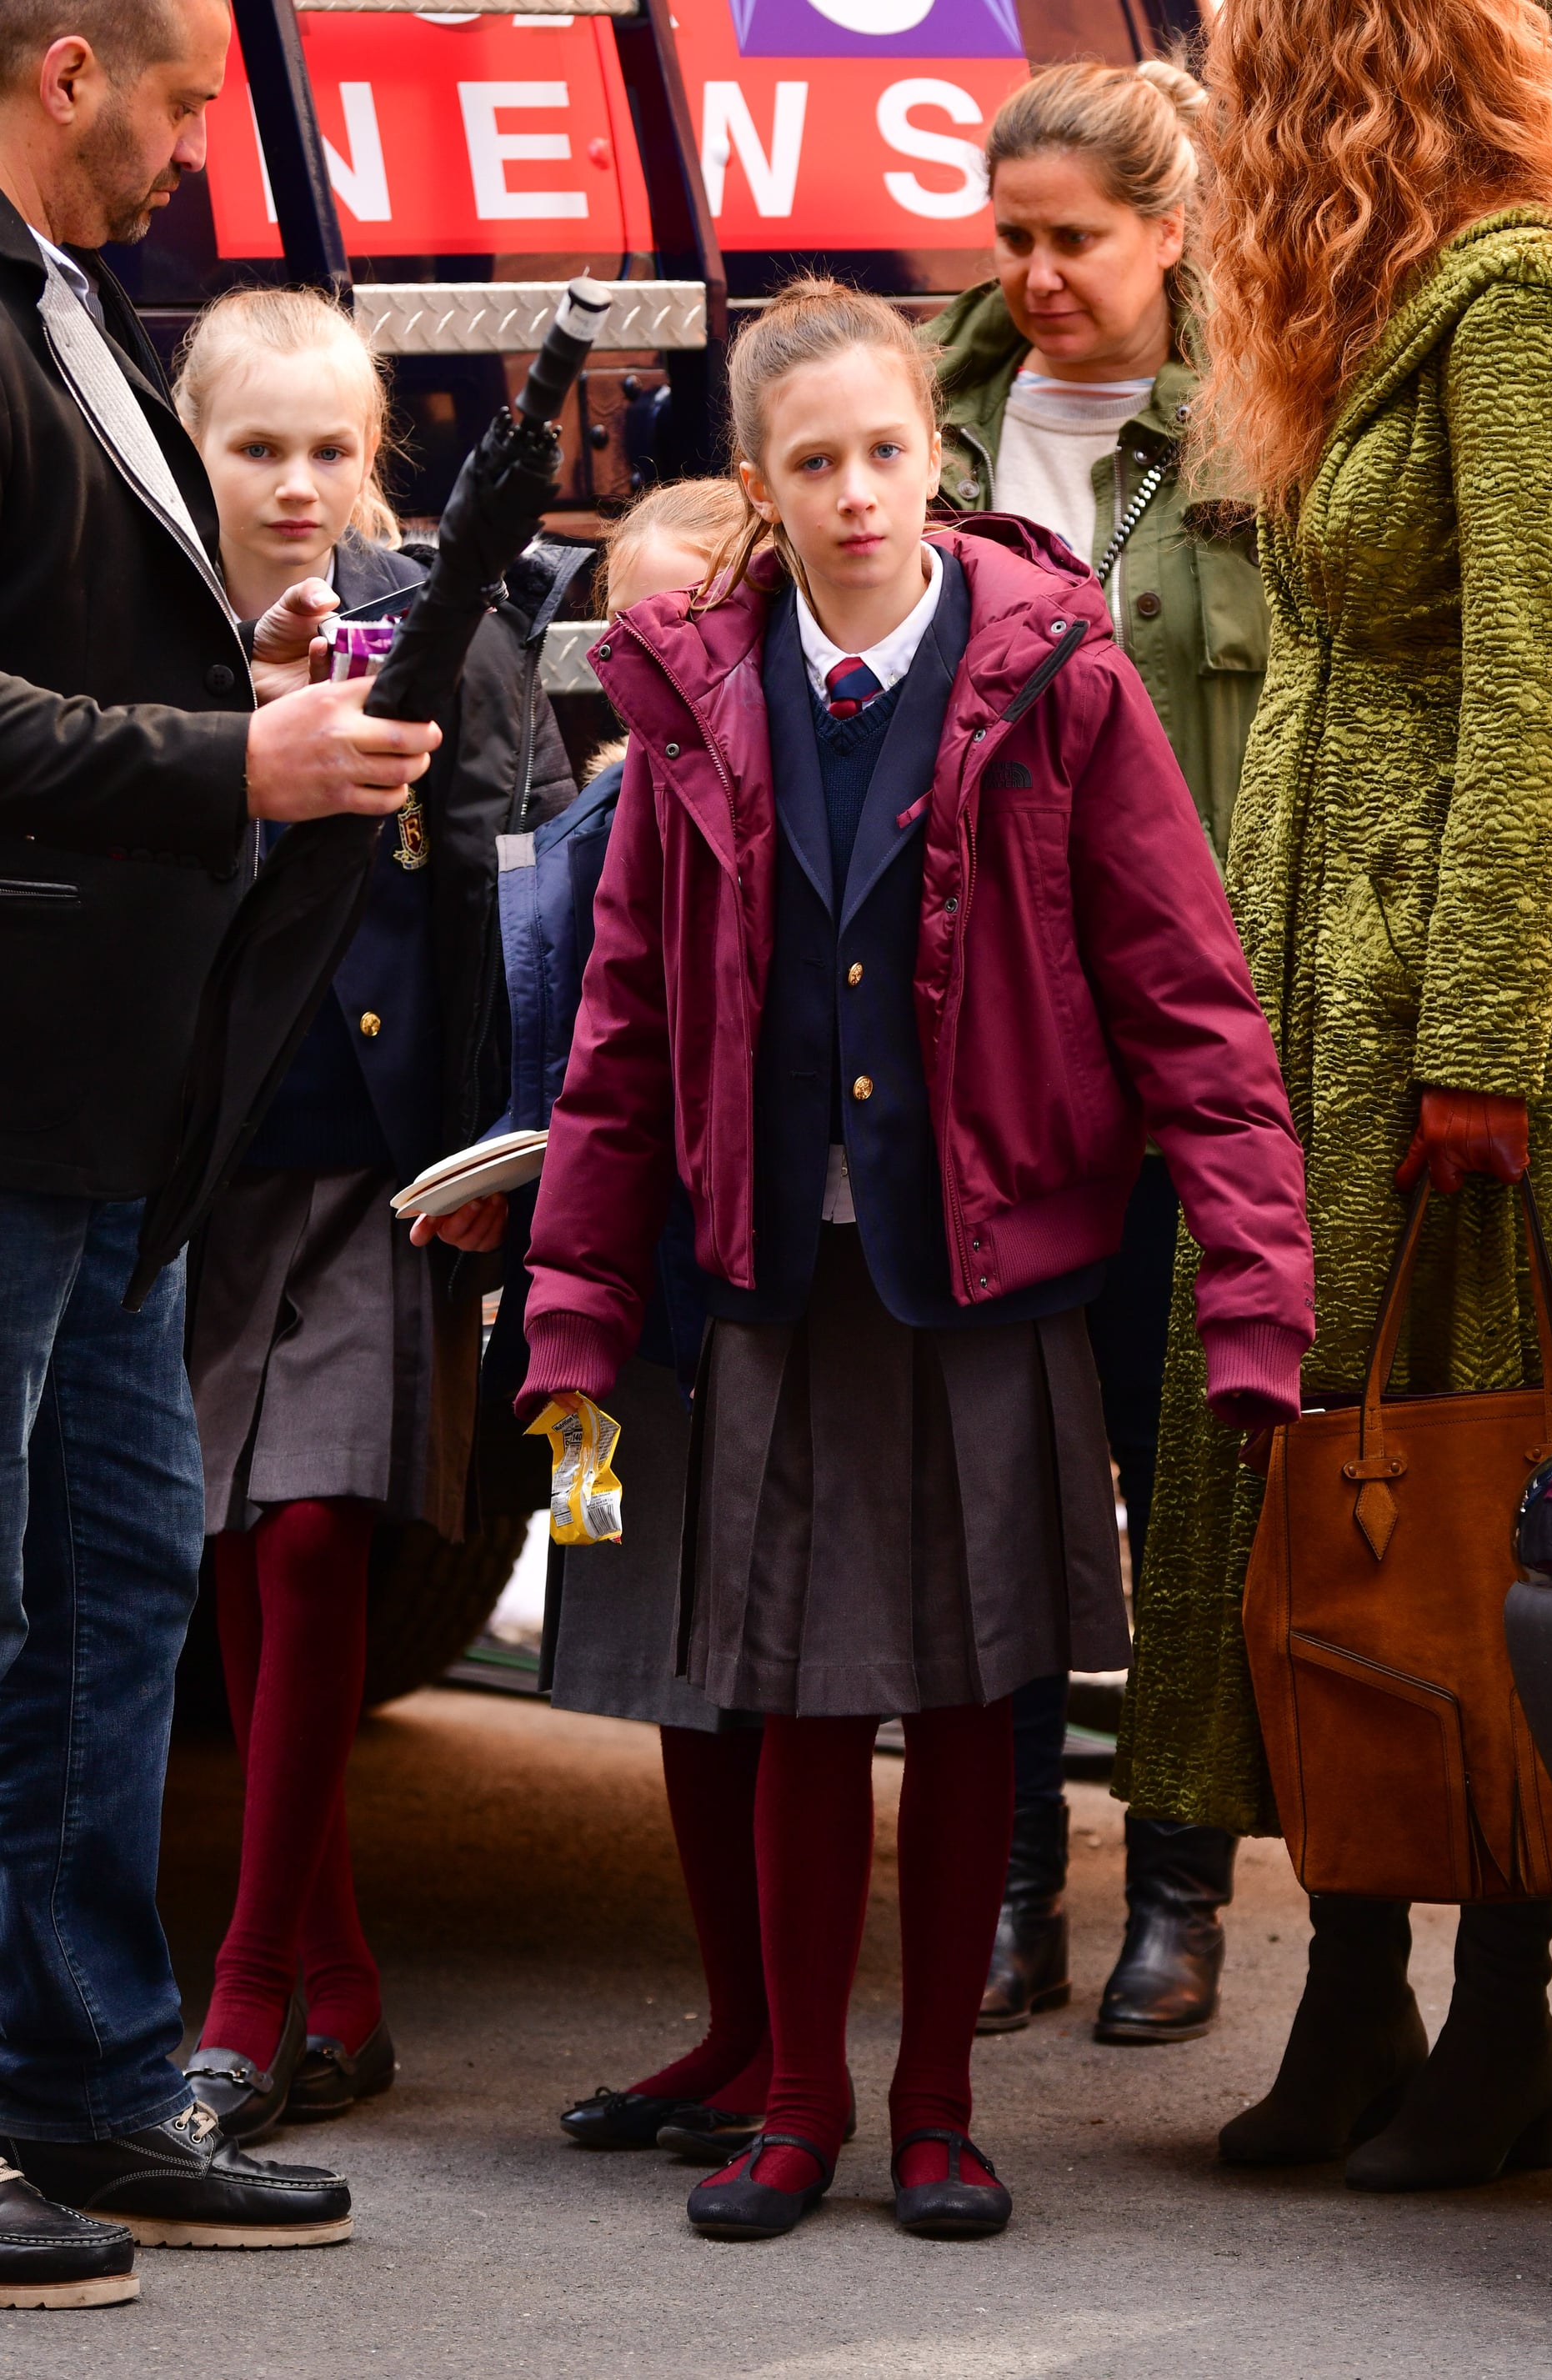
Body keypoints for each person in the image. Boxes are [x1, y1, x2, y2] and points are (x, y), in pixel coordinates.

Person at [518, 276, 1314, 2244]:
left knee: (976, 1697)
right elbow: (622, 1034)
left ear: (931, 456)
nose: (860, 493)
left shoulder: (1063, 675)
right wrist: (580, 1304)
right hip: (779, 1275)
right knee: (789, 1695)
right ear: (761, 485)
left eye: (888, 451)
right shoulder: (694, 697)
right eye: (816, 463)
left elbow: (1188, 997)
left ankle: (941, 2107)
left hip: (993, 1280)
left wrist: (1253, 1290)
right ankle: (795, 2104)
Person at [1115, 0, 1552, 2192]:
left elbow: (1549, 685)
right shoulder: (1356, 306)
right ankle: (1351, 1989)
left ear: (1341, 72)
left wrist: (1475, 1040)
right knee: (1308, 1477)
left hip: (1415, 1015)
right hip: (1292, 993)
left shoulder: (1529, 301)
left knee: (1440, 1483)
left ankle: (1508, 2022)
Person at [0, 0, 448, 2307]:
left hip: (114, 1104)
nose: (199, 151)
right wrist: (223, 768)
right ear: (71, 67)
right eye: (185, 102)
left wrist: (242, 678)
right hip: (17, 1079)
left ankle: (87, 2080)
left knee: (112, 1609)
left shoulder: (68, 302)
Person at [168, 283, 573, 2139]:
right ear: (191, 448)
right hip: (194, 1158)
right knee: (239, 1552)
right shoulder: (141, 618)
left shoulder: (443, 615)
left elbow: (523, 857)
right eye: (258, 448)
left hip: (379, 1161)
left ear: (380, 460)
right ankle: (336, 1979)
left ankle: (246, 1990)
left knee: (324, 1531)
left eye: (334, 450)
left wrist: (518, 1130)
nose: (298, 484)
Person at [932, 58, 1268, 2047]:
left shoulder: (1256, 429)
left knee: (1181, 1481)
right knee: (990, 1482)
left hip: (1180, 1041)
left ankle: (1178, 1890)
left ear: (1169, 234)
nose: (1041, 277)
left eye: (1077, 239)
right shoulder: (940, 424)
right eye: (1015, 241)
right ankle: (1000, 1890)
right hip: (983, 1052)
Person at [489, 479, 785, 2163]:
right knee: (656, 1666)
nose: (666, 664)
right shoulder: (585, 826)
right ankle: (729, 2021)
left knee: (756, 1674)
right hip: (610, 1345)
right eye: (633, 632)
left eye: (701, 623)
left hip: (734, 1308)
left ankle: (768, 2038)